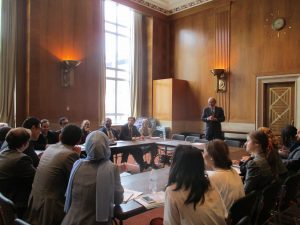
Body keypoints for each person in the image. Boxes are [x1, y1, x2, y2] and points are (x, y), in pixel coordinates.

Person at [62, 131, 124, 225]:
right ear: (106, 146)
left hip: (71, 220)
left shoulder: (77, 164)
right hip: (96, 222)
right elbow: (118, 199)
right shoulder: (111, 168)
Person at [26, 124, 82, 225]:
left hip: (35, 200)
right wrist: (77, 156)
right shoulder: (70, 154)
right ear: (78, 141)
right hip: (51, 208)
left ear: (60, 136)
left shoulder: (50, 148)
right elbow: (77, 181)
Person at [164, 145, 226, 225]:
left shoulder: (172, 191)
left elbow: (170, 223)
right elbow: (223, 213)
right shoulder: (209, 184)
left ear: (176, 164)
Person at [0, 128, 36, 218]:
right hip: (18, 203)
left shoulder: (3, 153)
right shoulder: (21, 159)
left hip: (4, 198)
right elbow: (37, 177)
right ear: (25, 143)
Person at [204, 140, 245, 213]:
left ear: (211, 157)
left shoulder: (212, 178)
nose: (203, 155)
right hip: (237, 216)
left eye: (204, 152)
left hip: (224, 219)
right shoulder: (233, 171)